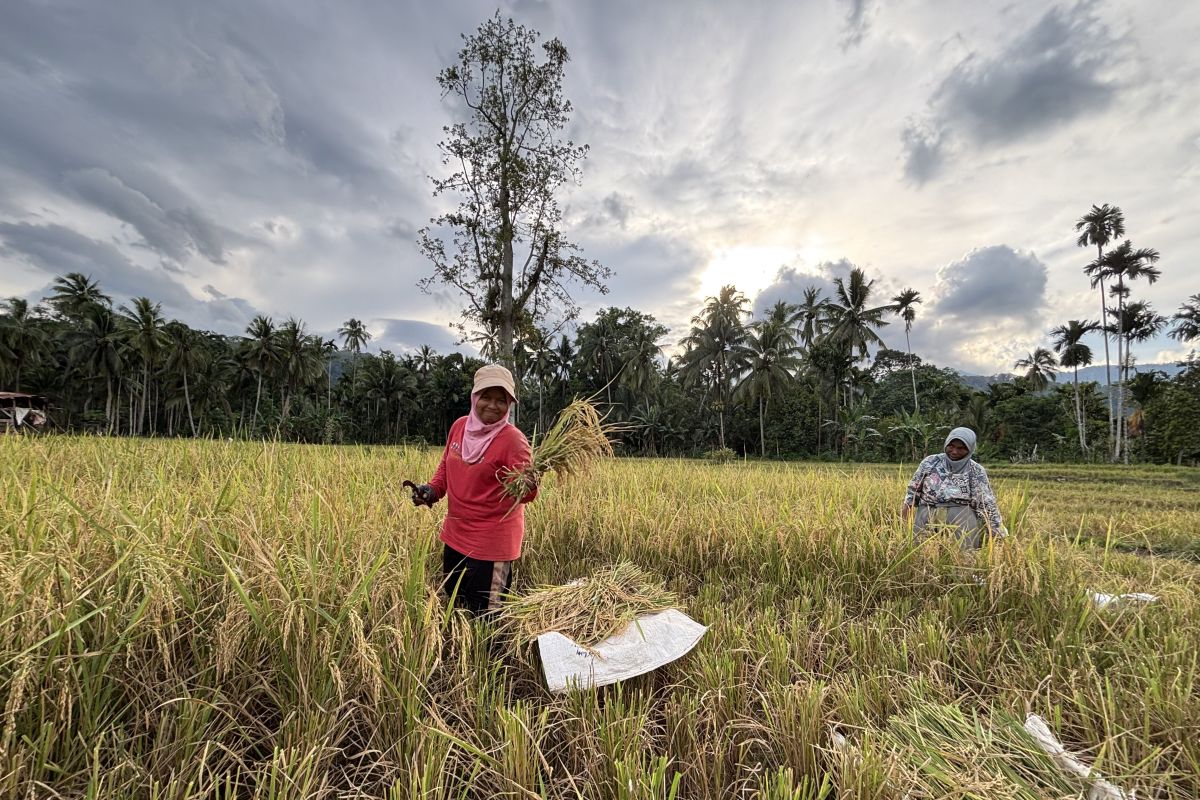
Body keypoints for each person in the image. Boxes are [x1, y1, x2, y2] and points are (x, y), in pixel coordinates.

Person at [409, 364, 538, 613]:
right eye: (486, 397)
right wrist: (431, 491)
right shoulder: (460, 427)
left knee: (486, 614)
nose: (492, 405)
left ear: (509, 404)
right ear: (474, 397)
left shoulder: (513, 440)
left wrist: (529, 483)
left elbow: (527, 494)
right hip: (456, 535)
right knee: (455, 604)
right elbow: (446, 469)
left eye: (501, 400)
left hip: (492, 543)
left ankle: (491, 653)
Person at [901, 426, 1006, 549]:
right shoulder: (930, 462)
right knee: (921, 554)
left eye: (961, 448)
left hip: (961, 519)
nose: (954, 451)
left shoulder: (976, 470)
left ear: (970, 449)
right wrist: (904, 521)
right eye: (951, 446)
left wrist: (996, 530)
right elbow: (913, 491)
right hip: (927, 515)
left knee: (964, 557)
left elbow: (986, 502)